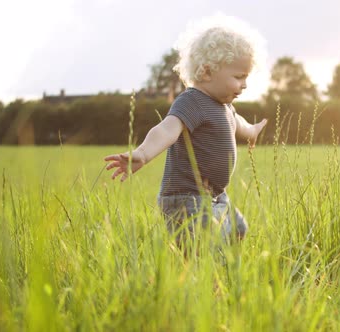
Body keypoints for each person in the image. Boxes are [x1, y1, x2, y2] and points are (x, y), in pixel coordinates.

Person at [104, 15, 267, 244]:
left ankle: (224, 273)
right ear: (207, 72)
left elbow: (238, 123)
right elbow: (166, 130)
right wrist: (142, 154)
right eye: (239, 77)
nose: (245, 84)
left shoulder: (224, 106)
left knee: (238, 229)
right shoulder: (192, 102)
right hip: (187, 200)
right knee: (204, 250)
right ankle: (201, 277)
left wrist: (252, 131)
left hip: (216, 197)